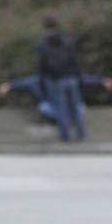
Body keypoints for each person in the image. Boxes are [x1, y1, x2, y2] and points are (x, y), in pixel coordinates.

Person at [0, 72, 112, 126]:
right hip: (53, 108)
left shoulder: (68, 79)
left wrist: (102, 81)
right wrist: (9, 86)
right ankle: (57, 121)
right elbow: (25, 83)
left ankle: (69, 120)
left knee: (80, 108)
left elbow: (86, 81)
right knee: (44, 108)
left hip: (69, 108)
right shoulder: (40, 81)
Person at [36, 15, 85, 143]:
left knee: (61, 109)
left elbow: (42, 64)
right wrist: (79, 77)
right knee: (75, 107)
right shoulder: (66, 40)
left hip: (56, 79)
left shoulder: (44, 43)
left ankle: (65, 137)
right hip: (71, 77)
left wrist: (42, 81)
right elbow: (74, 60)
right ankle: (81, 135)